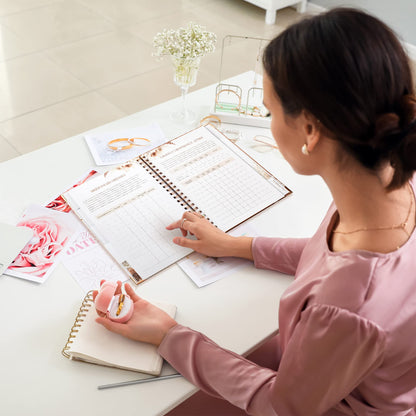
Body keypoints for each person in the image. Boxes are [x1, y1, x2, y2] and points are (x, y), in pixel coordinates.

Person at [94, 8, 416, 415]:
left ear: (311, 130)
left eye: (269, 111)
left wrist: (168, 335)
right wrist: (239, 245)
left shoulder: (346, 307)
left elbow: (282, 406)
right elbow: (333, 257)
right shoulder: (388, 180)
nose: (268, 123)